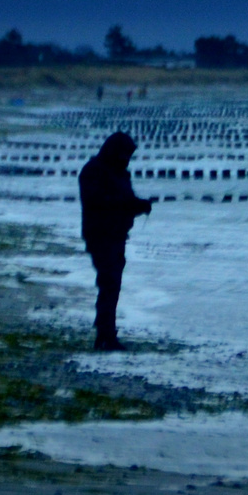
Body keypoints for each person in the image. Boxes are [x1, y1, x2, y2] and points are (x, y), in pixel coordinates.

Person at [77, 131, 153, 351]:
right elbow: (99, 202)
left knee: (112, 285)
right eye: (124, 154)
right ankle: (105, 335)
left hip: (117, 235)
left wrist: (138, 205)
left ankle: (106, 332)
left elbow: (123, 201)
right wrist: (130, 206)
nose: (126, 159)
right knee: (109, 283)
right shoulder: (93, 171)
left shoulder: (120, 172)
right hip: (100, 234)